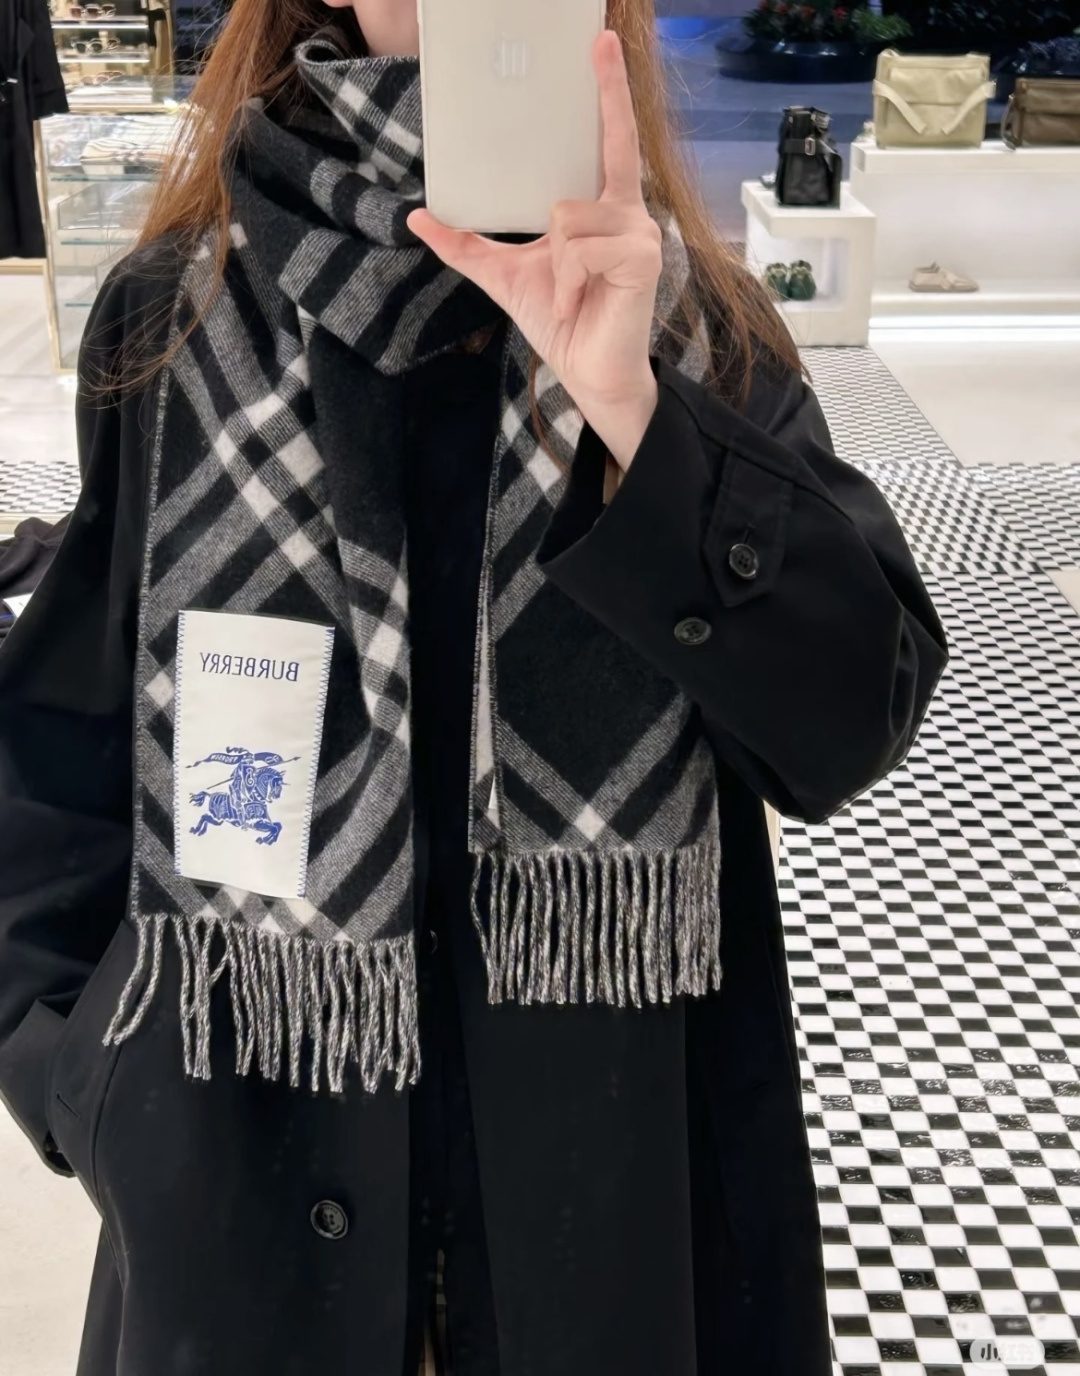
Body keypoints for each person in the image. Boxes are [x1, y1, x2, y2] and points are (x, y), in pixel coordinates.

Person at [0, 2, 949, 1373]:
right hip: (245, 1233)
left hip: (626, 1228)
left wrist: (641, 419)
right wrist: (89, 1078)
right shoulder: (178, 318)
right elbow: (51, 756)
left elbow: (853, 719)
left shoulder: (695, 329)